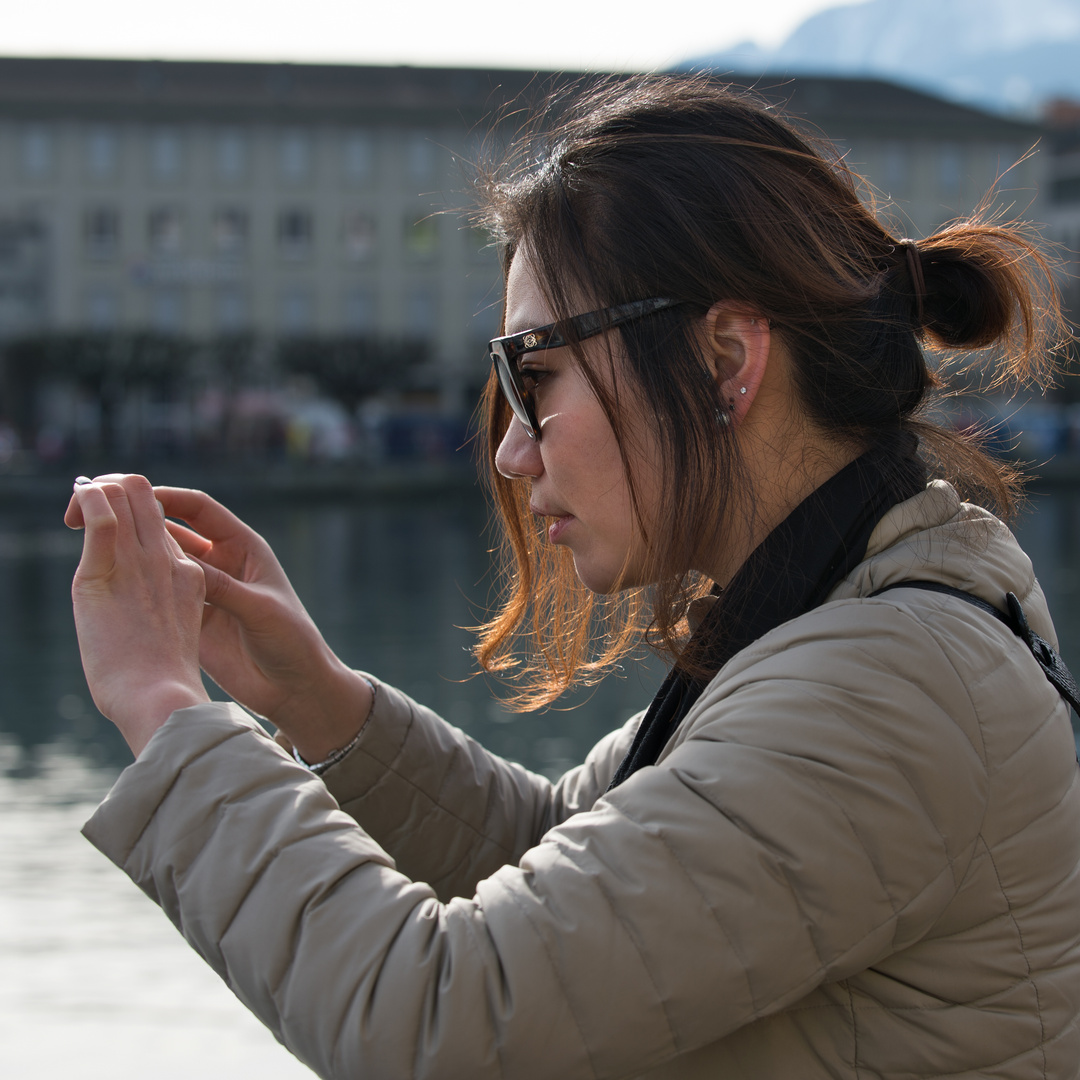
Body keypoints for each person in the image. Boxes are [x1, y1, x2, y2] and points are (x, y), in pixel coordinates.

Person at [67, 75, 1080, 1079]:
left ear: (727, 358)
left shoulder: (886, 689)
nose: (511, 452)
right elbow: (556, 857)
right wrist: (312, 699)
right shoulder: (839, 610)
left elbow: (442, 1021)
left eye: (535, 374)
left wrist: (164, 711)